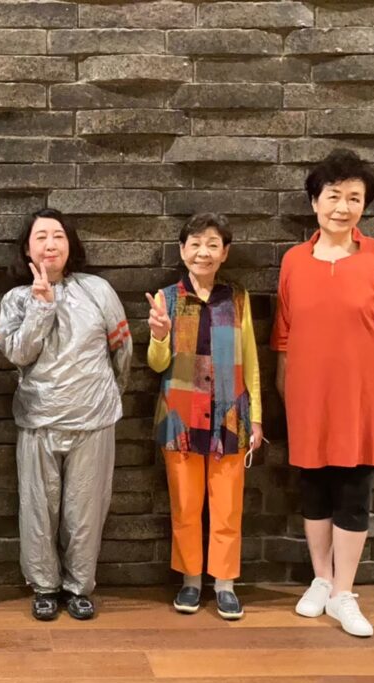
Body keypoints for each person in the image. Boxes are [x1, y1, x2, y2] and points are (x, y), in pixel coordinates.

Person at [271, 149, 374, 638]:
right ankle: (321, 579)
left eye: (354, 198)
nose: (343, 207)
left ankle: (344, 593)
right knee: (313, 486)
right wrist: (284, 387)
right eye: (333, 196)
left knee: (354, 489)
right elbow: (283, 333)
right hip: (309, 392)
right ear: (315, 202)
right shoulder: (294, 260)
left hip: (364, 392)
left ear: (363, 206)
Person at [0, 208, 132, 622]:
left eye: (58, 235)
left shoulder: (98, 290)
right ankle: (44, 586)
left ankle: (78, 586)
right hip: (38, 418)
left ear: (70, 245)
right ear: (27, 249)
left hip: (93, 418)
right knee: (38, 508)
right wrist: (41, 307)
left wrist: (108, 395)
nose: (50, 244)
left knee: (85, 509)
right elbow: (18, 354)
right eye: (40, 237)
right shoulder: (15, 299)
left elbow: (122, 351)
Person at [146, 213, 263, 620]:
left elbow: (251, 362)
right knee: (185, 506)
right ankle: (191, 580)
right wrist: (159, 334)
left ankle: (225, 584)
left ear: (225, 253)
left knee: (228, 507)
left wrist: (257, 418)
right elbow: (157, 363)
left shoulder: (238, 299)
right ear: (182, 251)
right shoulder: (166, 298)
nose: (203, 252)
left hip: (231, 417)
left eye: (213, 244)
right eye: (195, 244)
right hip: (180, 418)